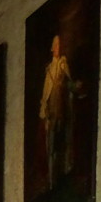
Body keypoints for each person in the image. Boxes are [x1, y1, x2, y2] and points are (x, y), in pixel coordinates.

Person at [39, 34, 76, 191]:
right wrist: (44, 111)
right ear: (52, 48)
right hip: (53, 112)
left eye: (60, 45)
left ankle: (65, 174)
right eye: (56, 45)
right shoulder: (49, 70)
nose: (58, 48)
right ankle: (52, 179)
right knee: (52, 144)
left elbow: (70, 85)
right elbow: (45, 93)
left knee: (64, 141)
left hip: (63, 110)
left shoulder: (63, 65)